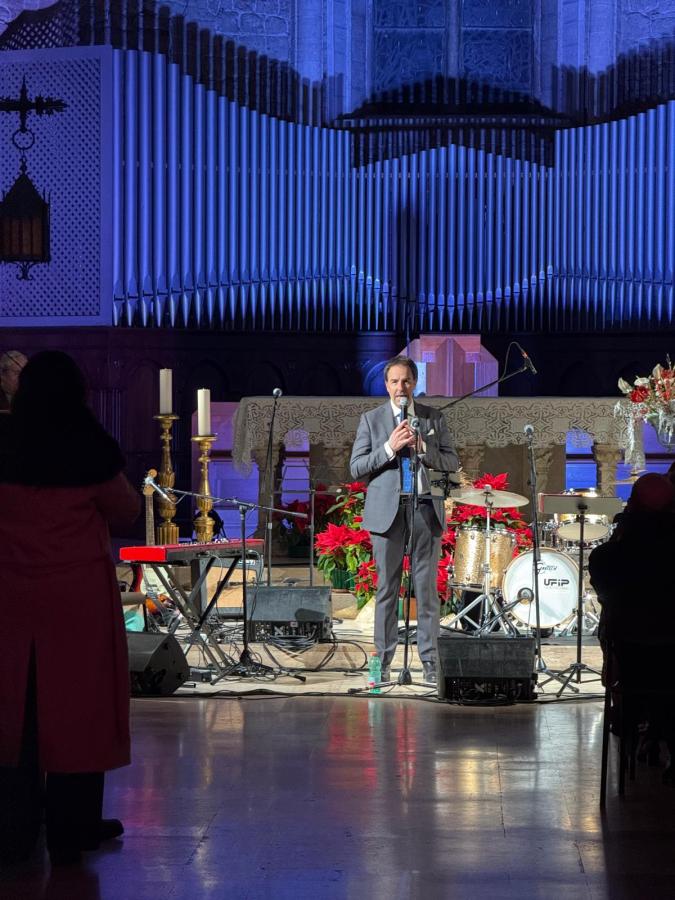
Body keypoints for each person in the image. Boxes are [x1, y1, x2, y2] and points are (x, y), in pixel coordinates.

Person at [0, 351, 141, 865]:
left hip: (10, 597)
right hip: (75, 601)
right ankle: (73, 824)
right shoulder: (89, 447)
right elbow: (126, 510)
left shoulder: (4, 440)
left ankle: (12, 827)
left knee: (14, 710)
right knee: (77, 711)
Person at [350, 355, 458, 683]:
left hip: (424, 509)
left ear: (415, 384)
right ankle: (381, 666)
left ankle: (430, 665)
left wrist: (425, 449)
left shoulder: (432, 418)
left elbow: (452, 462)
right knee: (387, 589)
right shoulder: (372, 420)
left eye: (406, 381)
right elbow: (356, 468)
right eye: (394, 381)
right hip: (388, 513)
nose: (401, 387)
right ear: (386, 385)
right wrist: (388, 447)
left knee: (425, 591)